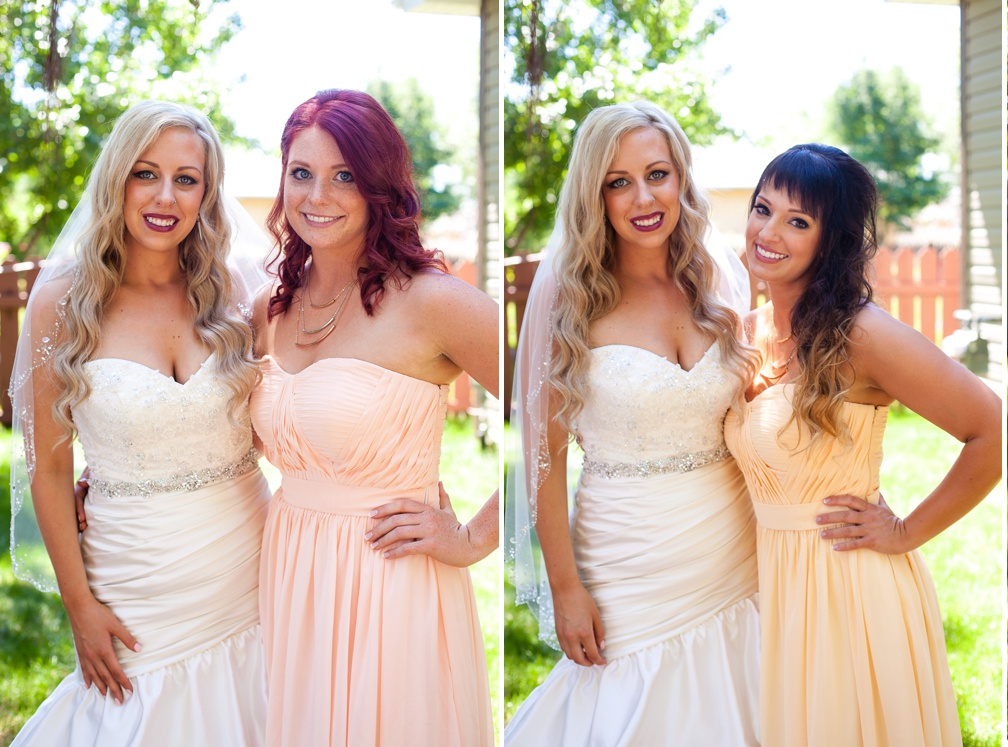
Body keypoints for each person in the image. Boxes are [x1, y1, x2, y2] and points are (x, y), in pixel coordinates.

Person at [722, 143, 1001, 746]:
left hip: (850, 591)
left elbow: (991, 430)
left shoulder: (863, 334)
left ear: (833, 242)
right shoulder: (743, 333)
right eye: (762, 208)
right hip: (772, 586)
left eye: (799, 221)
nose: (769, 232)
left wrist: (904, 532)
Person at [10, 100, 270, 746]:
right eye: (145, 173)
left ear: (208, 192)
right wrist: (79, 605)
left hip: (252, 567)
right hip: (135, 585)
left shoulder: (237, 288)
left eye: (187, 178)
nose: (165, 196)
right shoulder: (64, 300)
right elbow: (48, 471)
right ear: (116, 177)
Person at [503, 101, 761, 745]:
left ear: (682, 179)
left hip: (734, 548)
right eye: (618, 182)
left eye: (658, 174)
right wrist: (565, 587)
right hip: (626, 559)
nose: (643, 197)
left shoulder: (717, 278)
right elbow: (544, 455)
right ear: (596, 195)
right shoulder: (570, 297)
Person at [250, 89, 499, 745]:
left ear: (378, 185)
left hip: (389, 583)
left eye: (344, 176)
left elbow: (562, 407)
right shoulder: (268, 310)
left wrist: (473, 537)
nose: (317, 196)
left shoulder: (434, 301)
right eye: (301, 173)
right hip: (289, 576)